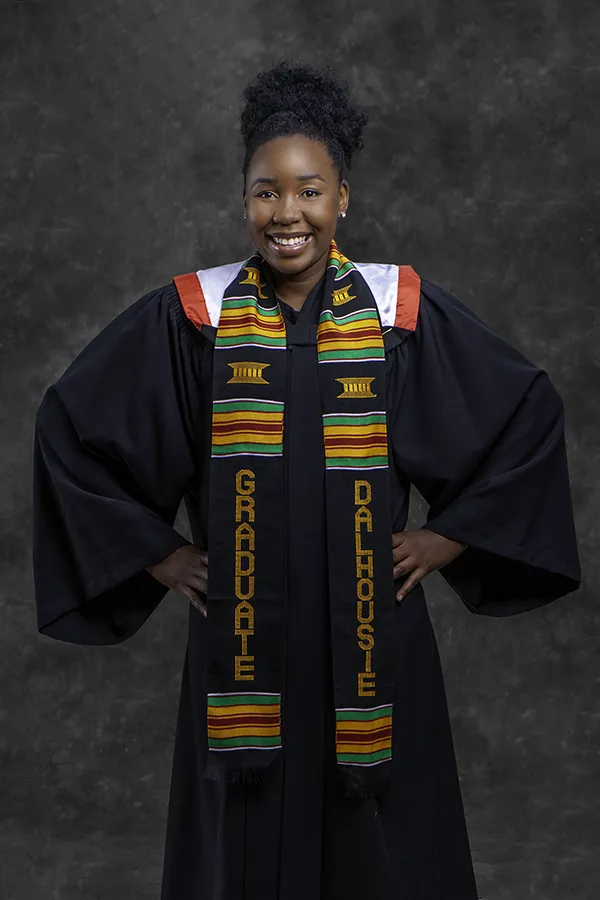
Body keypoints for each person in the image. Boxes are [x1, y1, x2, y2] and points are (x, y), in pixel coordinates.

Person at [32, 60, 581, 900]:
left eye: (309, 191)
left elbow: (525, 417)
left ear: (343, 199)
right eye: (266, 192)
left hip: (372, 637)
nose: (288, 215)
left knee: (379, 843)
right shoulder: (194, 318)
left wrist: (444, 538)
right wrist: (165, 558)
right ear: (245, 199)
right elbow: (72, 430)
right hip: (245, 640)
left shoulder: (399, 313)